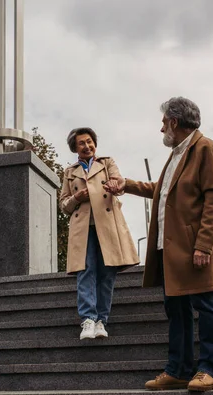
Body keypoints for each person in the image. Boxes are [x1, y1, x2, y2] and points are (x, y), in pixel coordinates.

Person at [105, 97, 213, 391]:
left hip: (193, 247)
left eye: (163, 123)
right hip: (169, 249)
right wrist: (127, 185)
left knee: (206, 306)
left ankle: (208, 369)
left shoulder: (204, 148)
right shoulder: (176, 155)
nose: (161, 129)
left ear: (174, 122)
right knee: (176, 310)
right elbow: (160, 191)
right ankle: (179, 370)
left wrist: (203, 246)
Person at [59, 127, 140, 340]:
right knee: (86, 272)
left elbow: (119, 183)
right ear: (75, 148)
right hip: (83, 228)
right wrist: (77, 198)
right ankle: (87, 320)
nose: (87, 146)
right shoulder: (69, 172)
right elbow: (64, 205)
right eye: (81, 144)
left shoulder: (106, 163)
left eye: (89, 142)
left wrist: (115, 186)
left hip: (108, 226)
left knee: (107, 274)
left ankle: (101, 320)